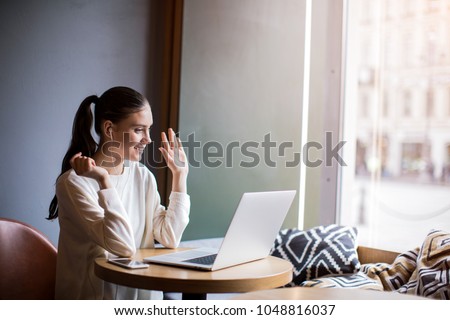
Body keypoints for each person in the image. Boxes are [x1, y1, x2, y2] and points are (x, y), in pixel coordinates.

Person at [47, 86, 190, 299]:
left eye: (149, 129)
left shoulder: (142, 176)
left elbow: (169, 236)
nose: (148, 139)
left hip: (142, 297)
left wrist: (180, 177)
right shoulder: (74, 183)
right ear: (109, 129)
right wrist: (104, 180)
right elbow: (122, 246)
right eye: (139, 130)